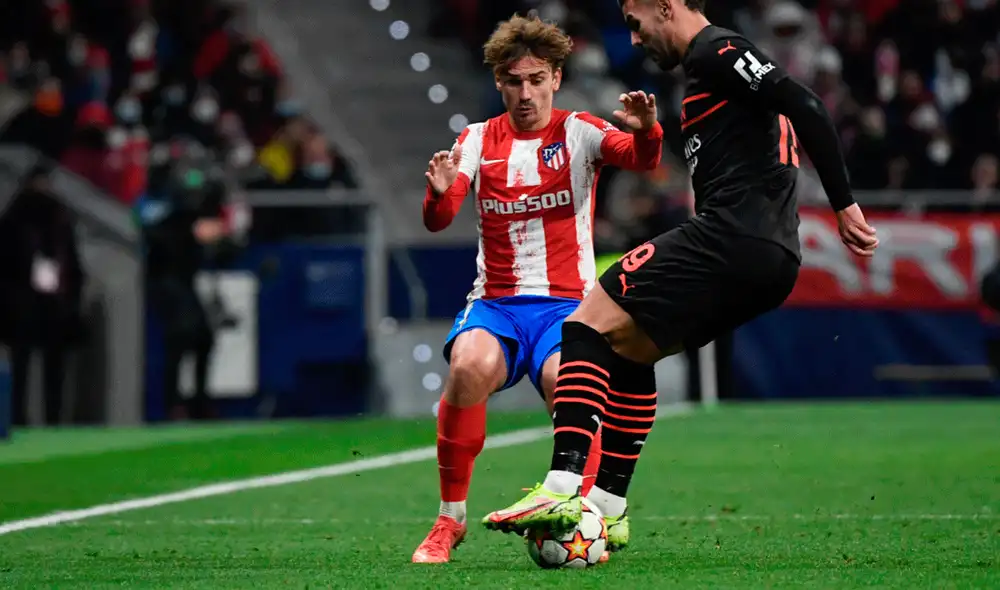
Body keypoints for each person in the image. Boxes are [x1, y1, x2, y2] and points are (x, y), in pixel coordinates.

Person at [483, 0, 879, 535]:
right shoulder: (706, 70)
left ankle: (560, 487)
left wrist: (843, 202)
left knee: (583, 325)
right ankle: (607, 505)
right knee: (630, 348)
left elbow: (805, 103)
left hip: (733, 238)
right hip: (772, 256)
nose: (636, 39)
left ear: (666, 8)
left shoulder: (718, 50)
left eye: (636, 24)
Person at [411, 14, 664, 563]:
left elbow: (640, 159)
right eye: (512, 81)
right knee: (466, 369)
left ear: (555, 77)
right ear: (499, 83)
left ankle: (586, 513)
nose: (524, 93)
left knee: (568, 383)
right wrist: (438, 194)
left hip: (569, 308)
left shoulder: (581, 131)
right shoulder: (476, 139)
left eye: (535, 79)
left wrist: (647, 131)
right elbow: (440, 216)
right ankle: (448, 521)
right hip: (497, 305)